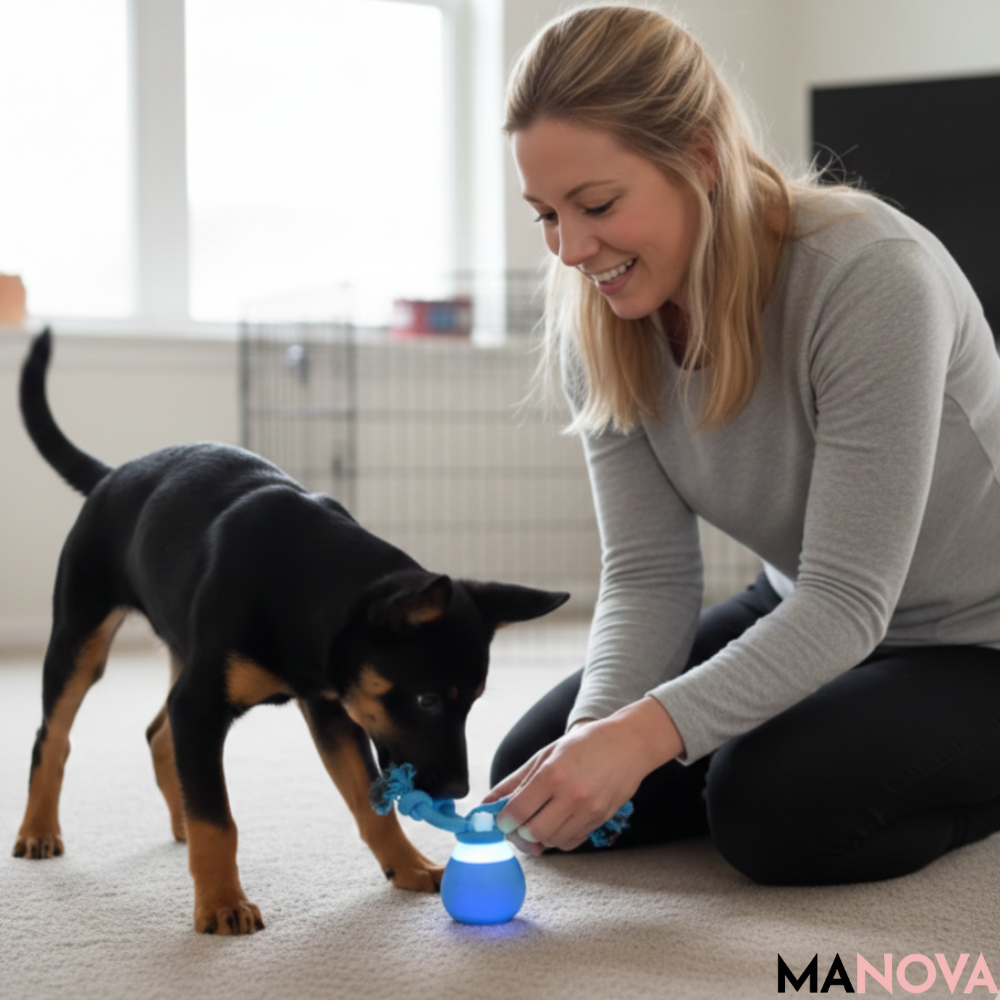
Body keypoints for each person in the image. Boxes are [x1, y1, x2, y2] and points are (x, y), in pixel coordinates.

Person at [484, 3, 1000, 886]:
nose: (569, 249)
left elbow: (848, 598)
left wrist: (648, 737)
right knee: (539, 779)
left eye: (596, 205)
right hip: (806, 598)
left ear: (700, 157)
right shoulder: (599, 322)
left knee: (770, 811)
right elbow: (649, 573)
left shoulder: (870, 276)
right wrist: (601, 733)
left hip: (974, 635)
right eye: (545, 215)